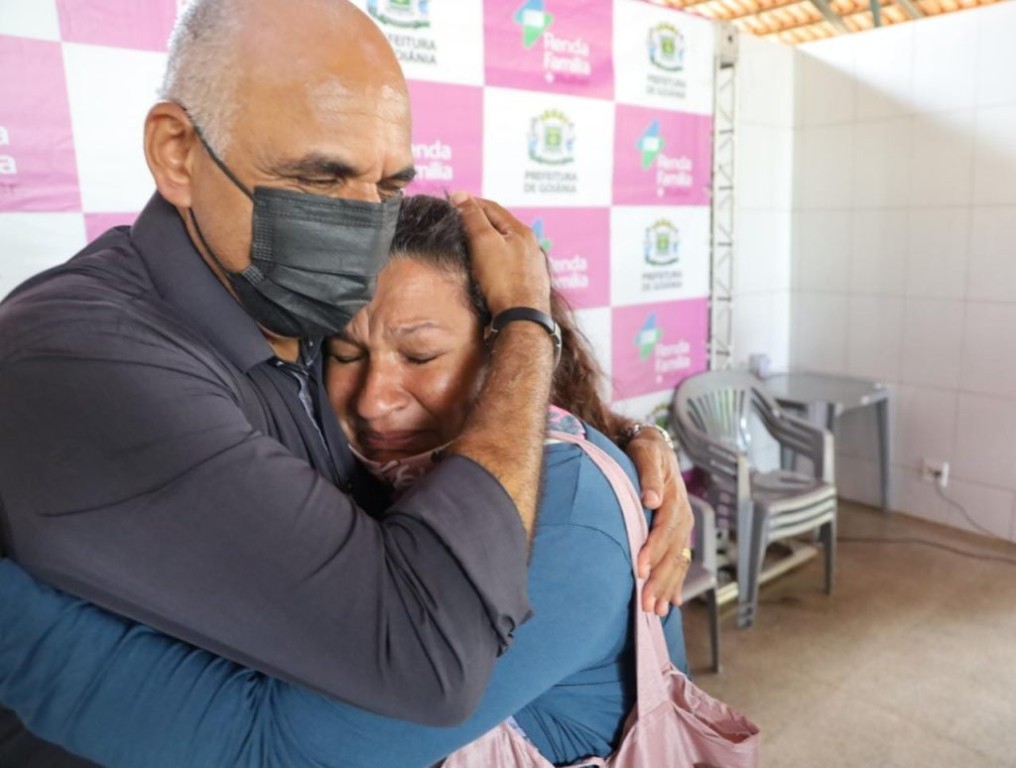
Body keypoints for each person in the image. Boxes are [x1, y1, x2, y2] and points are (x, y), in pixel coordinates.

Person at [0, 0, 693, 765]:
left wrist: (622, 441)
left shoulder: (283, 299)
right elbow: (419, 658)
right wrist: (531, 331)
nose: (361, 231)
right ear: (176, 152)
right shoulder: (87, 355)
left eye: (387, 187)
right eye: (322, 177)